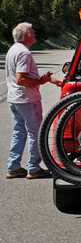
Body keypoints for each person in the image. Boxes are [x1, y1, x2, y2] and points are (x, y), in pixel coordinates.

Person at [5, 22, 59, 179]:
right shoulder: (24, 53)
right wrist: (41, 82)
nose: (34, 33)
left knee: (19, 132)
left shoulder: (13, 50)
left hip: (15, 99)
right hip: (27, 99)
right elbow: (21, 79)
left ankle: (13, 166)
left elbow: (25, 75)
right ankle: (34, 168)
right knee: (35, 132)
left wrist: (47, 79)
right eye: (32, 31)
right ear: (26, 35)